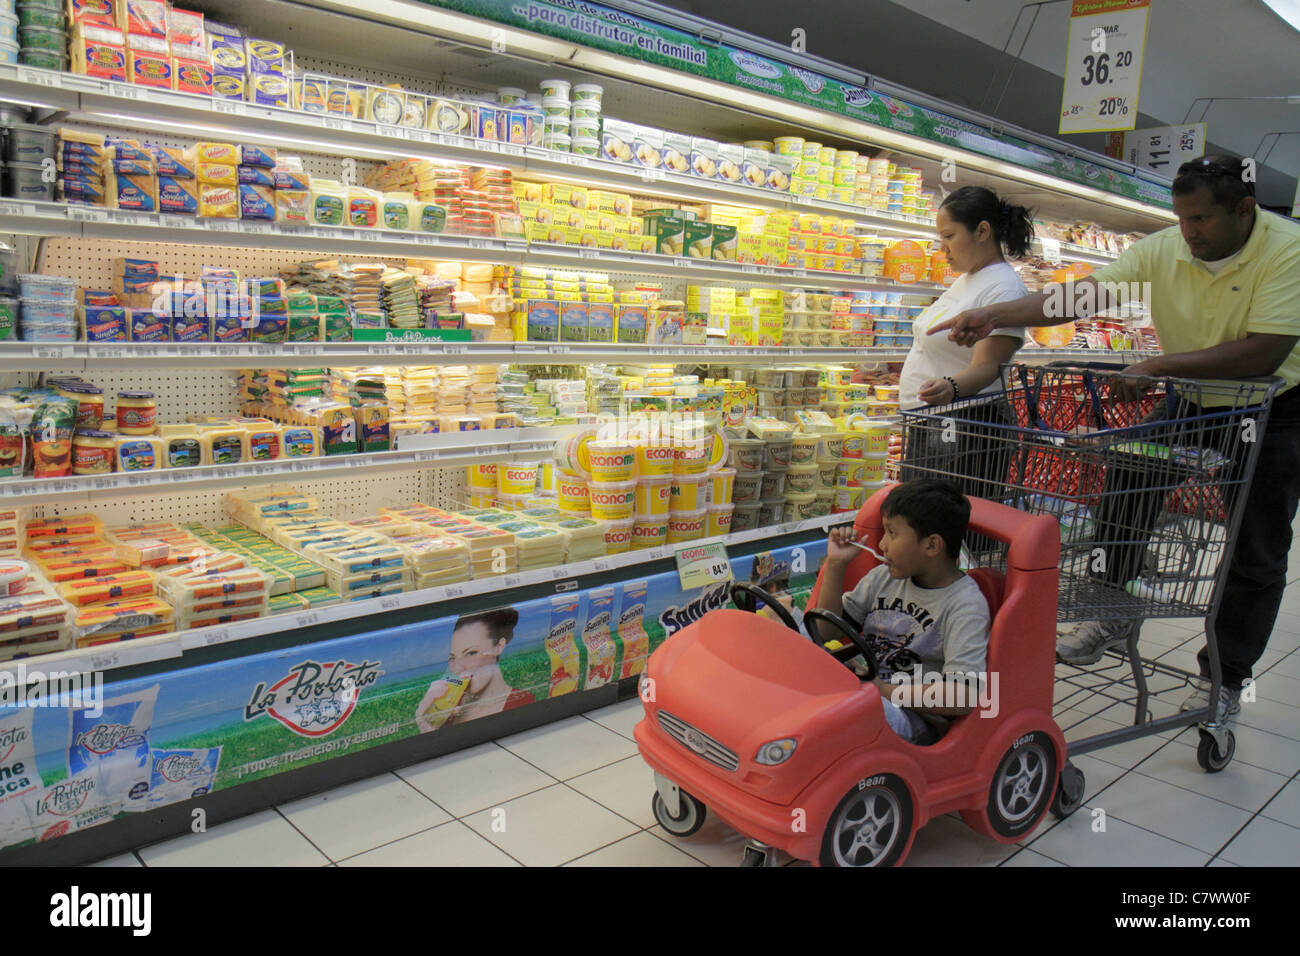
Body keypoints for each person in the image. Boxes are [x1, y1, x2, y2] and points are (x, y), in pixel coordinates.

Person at [930, 155, 1300, 723]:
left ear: (1245, 209)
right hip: (1194, 398)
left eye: (1201, 219)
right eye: (1181, 218)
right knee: (1127, 482)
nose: (1189, 232)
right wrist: (997, 312)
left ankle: (1224, 677)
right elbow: (1081, 297)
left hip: (1275, 405)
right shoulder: (1166, 247)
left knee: (1255, 545)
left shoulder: (1287, 249)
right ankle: (1115, 603)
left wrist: (1158, 365)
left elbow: (1265, 350)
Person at [812, 480, 989, 744]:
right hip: (865, 688)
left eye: (892, 534)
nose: (881, 544)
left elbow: (963, 694)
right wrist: (836, 565)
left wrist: (884, 691)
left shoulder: (964, 606)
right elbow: (824, 631)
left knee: (836, 716)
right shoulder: (883, 578)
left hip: (910, 716)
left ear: (932, 546)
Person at [897, 186, 1034, 501]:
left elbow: (988, 366)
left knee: (944, 530)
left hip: (967, 428)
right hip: (937, 424)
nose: (942, 248)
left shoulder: (1004, 288)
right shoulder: (969, 278)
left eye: (949, 236)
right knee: (921, 525)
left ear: (982, 231)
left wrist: (950, 387)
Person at [416, 606, 534, 732]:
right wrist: (426, 728)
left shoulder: (522, 701)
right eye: (452, 658)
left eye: (471, 653)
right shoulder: (447, 709)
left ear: (498, 647)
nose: (458, 667)